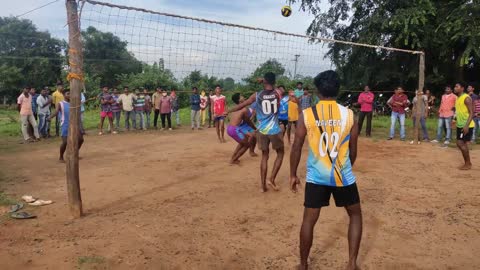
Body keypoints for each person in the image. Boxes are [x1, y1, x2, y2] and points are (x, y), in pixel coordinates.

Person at [289, 70, 361, 270]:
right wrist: (345, 168)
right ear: (338, 89)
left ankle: (303, 265)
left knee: (309, 220)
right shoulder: (349, 115)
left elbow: (296, 146)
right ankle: (352, 264)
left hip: (316, 177)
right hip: (342, 175)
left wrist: (293, 174)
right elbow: (353, 151)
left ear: (317, 90)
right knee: (355, 215)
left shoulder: (307, 114)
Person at [228, 72, 284, 192]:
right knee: (280, 153)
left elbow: (242, 105)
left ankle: (263, 186)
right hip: (274, 129)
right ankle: (272, 179)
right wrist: (265, 81)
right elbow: (277, 87)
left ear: (264, 81)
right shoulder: (278, 93)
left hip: (261, 130)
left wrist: (228, 111)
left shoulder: (257, 95)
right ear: (274, 82)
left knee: (264, 156)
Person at [48, 91, 84, 162]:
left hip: (74, 124)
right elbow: (56, 111)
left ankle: (75, 154)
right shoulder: (60, 104)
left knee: (80, 139)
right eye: (68, 94)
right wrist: (50, 117)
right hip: (65, 124)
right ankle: (61, 157)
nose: (70, 95)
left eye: (70, 93)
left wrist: (80, 126)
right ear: (64, 95)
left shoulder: (73, 103)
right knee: (65, 142)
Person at [227, 93, 257, 164]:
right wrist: (255, 128)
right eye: (241, 96)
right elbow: (248, 121)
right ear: (239, 100)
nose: (243, 97)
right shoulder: (244, 110)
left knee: (242, 143)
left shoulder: (237, 108)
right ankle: (234, 159)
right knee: (247, 144)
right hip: (235, 129)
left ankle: (233, 157)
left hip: (230, 128)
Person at [454, 82, 475, 170]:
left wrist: (466, 126)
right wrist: (454, 120)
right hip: (460, 125)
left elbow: (471, 113)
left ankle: (468, 163)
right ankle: (467, 163)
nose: (455, 88)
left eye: (457, 86)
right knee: (461, 143)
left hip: (467, 125)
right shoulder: (457, 98)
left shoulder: (466, 98)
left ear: (462, 88)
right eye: (455, 86)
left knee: (460, 143)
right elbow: (458, 111)